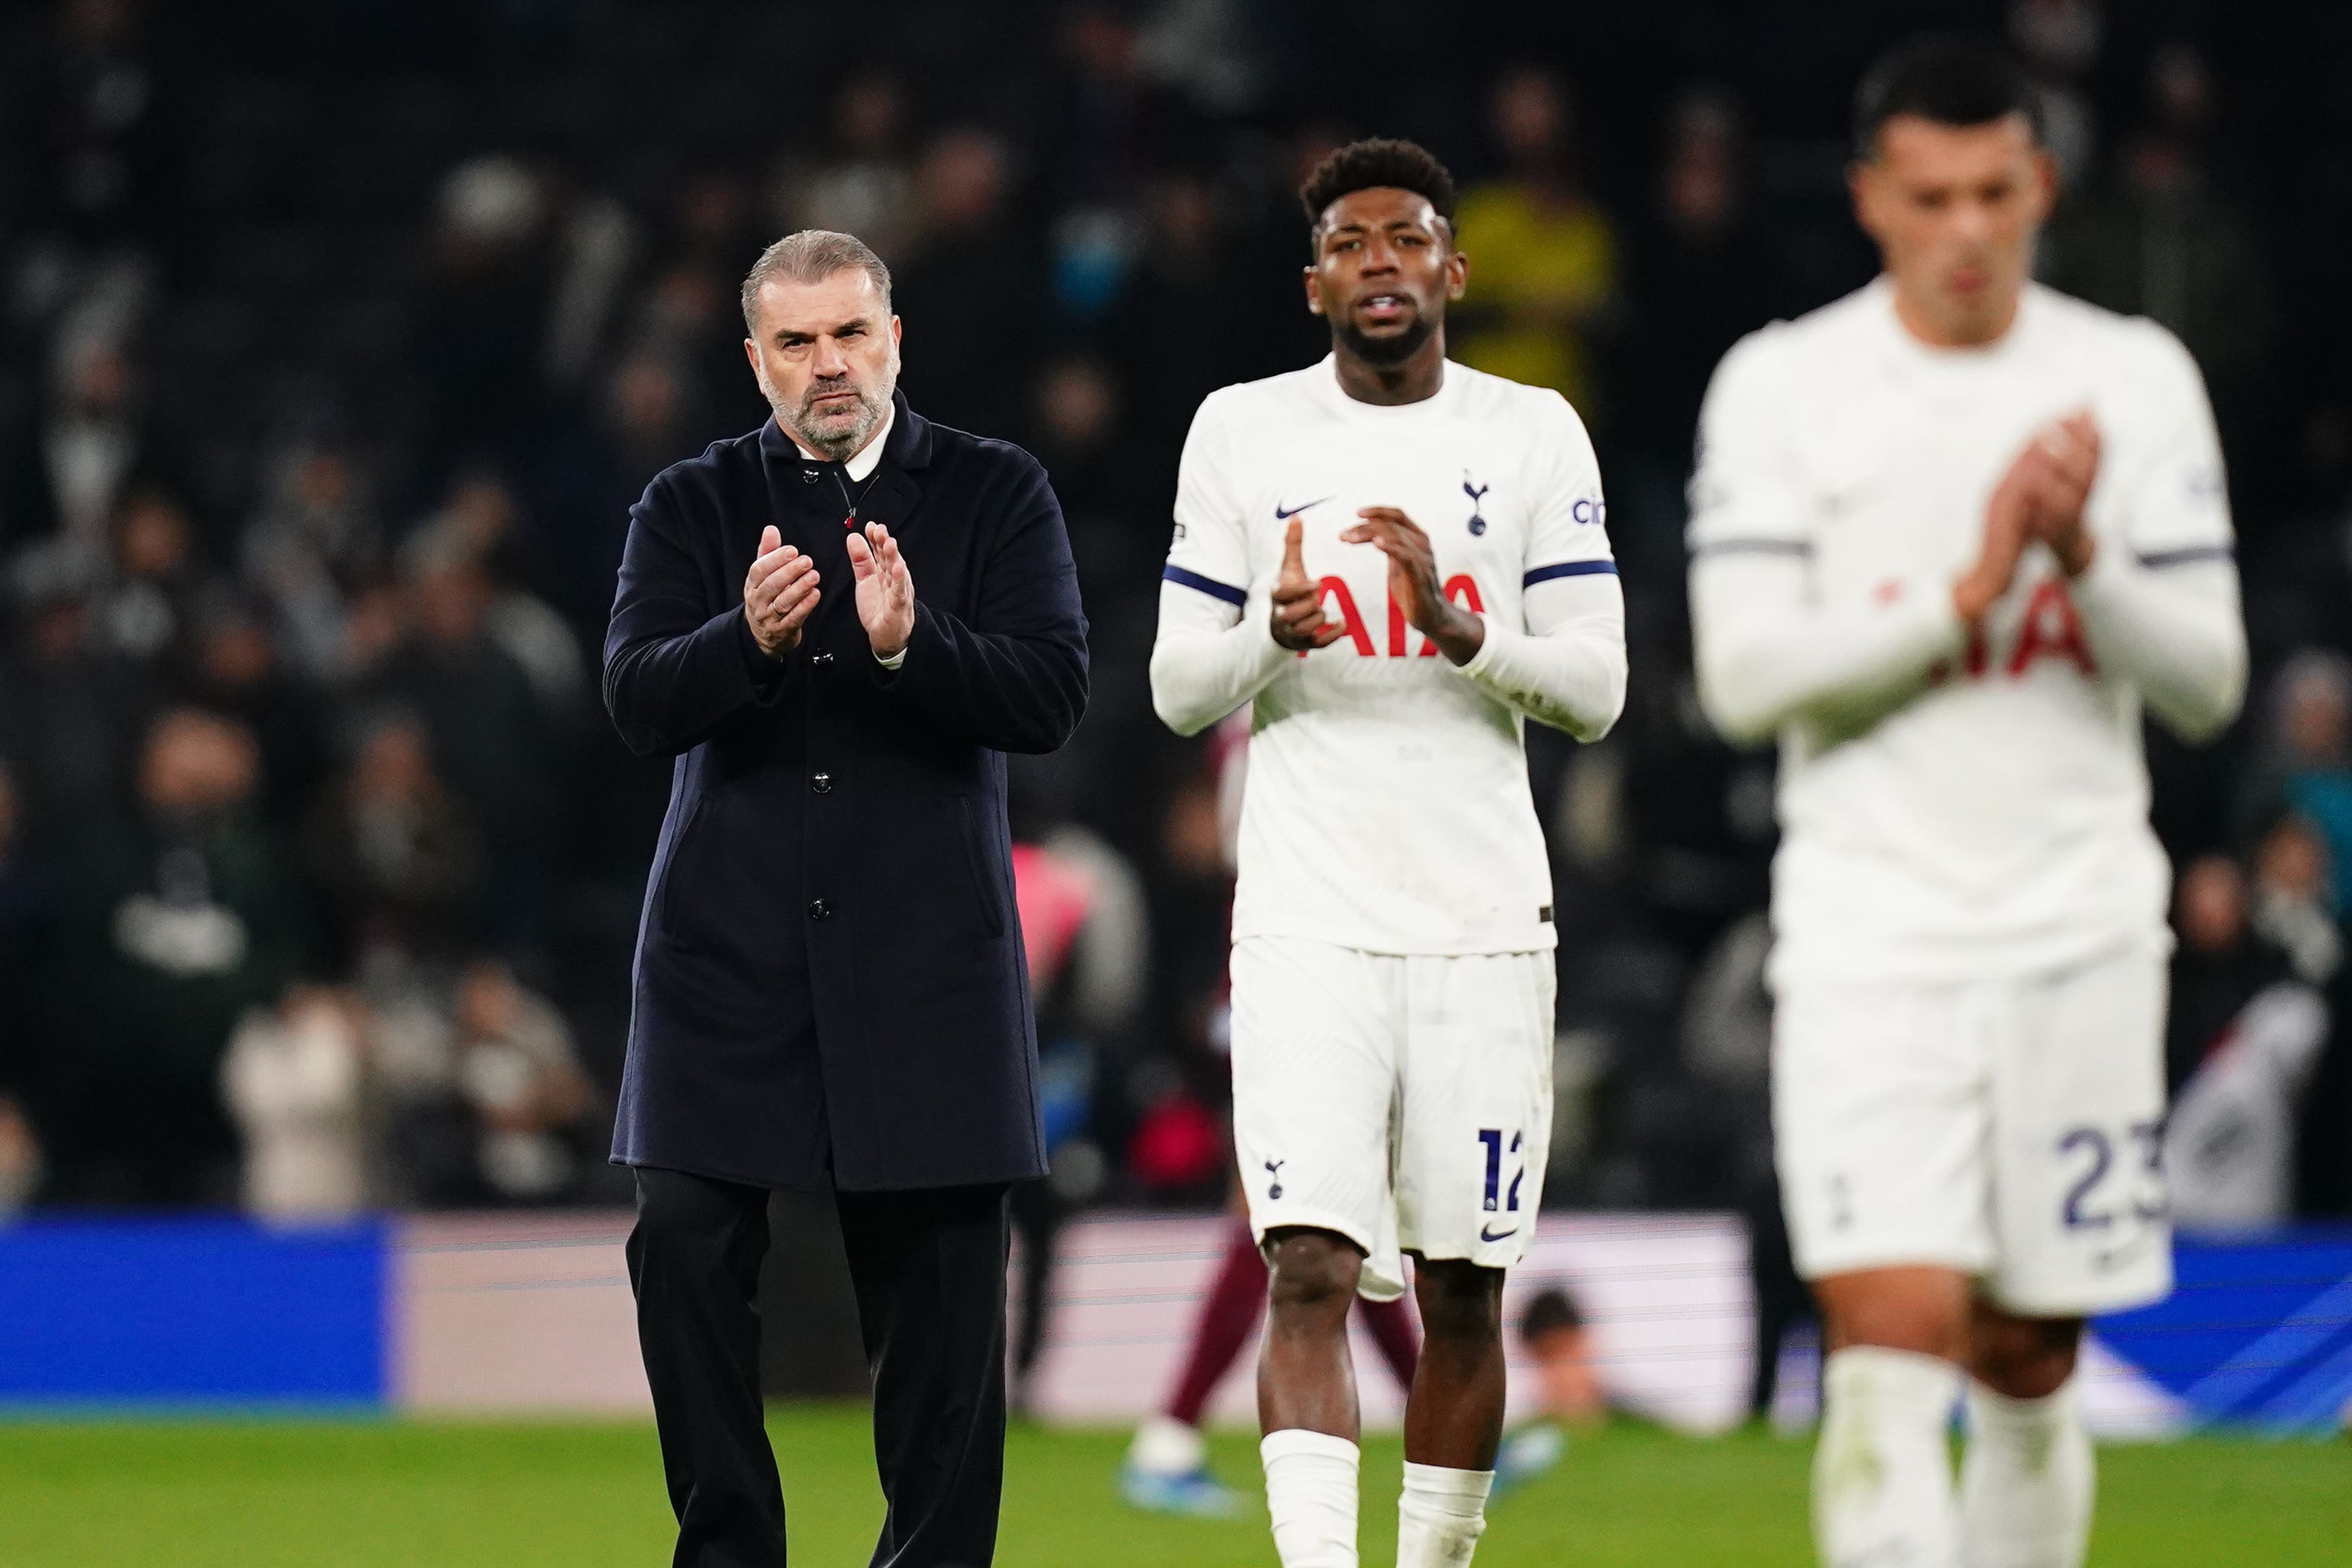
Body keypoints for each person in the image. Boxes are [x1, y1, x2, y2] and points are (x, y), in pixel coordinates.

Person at [1686, 39, 2247, 1568]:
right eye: (1927, 196)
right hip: (1868, 936)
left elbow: (2204, 675)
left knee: (2021, 1355)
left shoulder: (2129, 376)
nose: (1963, 231)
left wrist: (2081, 560)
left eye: (1992, 192)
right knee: (1890, 1331)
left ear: (2040, 188)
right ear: (1869, 197)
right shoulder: (1785, 384)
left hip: (2075, 934)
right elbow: (1743, 679)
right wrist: (1971, 585)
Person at [1150, 138, 1628, 1568]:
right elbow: (1177, 686)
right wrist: (1267, 637)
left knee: (1463, 1289)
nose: (1378, 261)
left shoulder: (1533, 432)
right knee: (1303, 1261)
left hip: (1483, 921)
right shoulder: (1240, 430)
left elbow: (1597, 692)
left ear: (1452, 271)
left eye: (1405, 238)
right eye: (1349, 243)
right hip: (1304, 918)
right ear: (1312, 284)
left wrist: (1462, 626)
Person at [603, 229, 1088, 1568]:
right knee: (684, 1252)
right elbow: (636, 701)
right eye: (798, 341)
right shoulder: (689, 505)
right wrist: (742, 641)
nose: (829, 363)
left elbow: (1049, 695)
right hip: (724, 956)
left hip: (925, 962)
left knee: (941, 1315)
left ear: (894, 340)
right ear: (754, 360)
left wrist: (905, 643)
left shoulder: (996, 493)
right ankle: (730, 1553)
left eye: (850, 333)